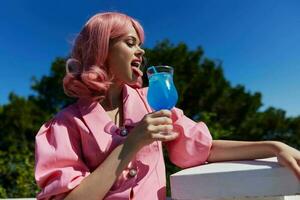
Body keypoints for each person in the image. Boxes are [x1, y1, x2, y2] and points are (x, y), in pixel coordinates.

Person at [34, 12, 300, 200]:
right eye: (130, 43)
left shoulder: (151, 101)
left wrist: (274, 147)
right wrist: (131, 144)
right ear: (101, 50)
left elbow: (203, 148)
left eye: (140, 45)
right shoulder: (64, 125)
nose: (141, 52)